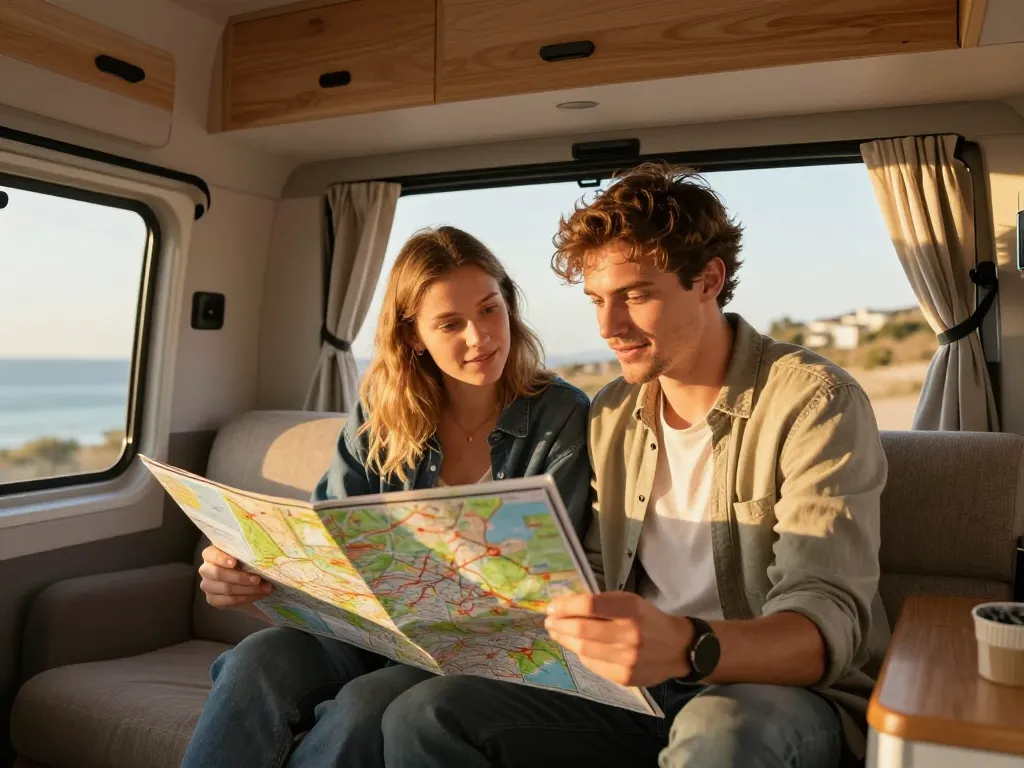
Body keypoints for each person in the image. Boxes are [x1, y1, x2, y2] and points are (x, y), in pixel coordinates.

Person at [377, 163, 890, 768]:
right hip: (634, 691)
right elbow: (592, 568)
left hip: (774, 694)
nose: (608, 326)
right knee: (424, 713)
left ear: (708, 280)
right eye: (596, 300)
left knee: (716, 730)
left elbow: (824, 623)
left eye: (636, 296)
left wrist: (687, 646)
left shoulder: (813, 402)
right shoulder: (613, 411)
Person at [179, 225, 591, 768]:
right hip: (371, 635)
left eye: (490, 310)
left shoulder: (562, 415)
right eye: (450, 323)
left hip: (484, 651)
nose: (481, 336)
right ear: (414, 335)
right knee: (255, 659)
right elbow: (324, 547)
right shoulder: (379, 415)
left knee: (366, 705)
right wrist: (246, 576)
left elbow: (550, 584)